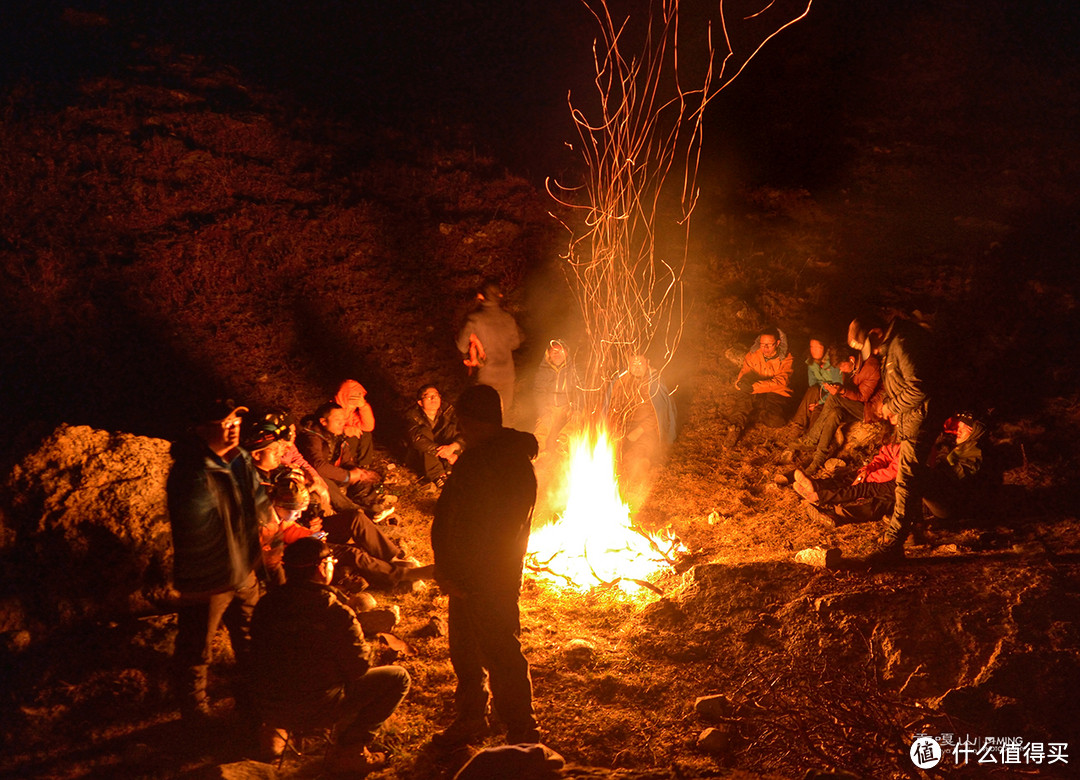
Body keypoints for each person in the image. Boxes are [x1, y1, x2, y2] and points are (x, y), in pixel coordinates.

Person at [430, 384, 541, 747]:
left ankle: (521, 727)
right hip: (466, 575)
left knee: (498, 648)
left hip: (486, 577)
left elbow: (493, 529)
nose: (459, 428)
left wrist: (467, 574)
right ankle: (472, 716)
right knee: (464, 649)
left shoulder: (503, 464)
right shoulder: (483, 457)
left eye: (463, 421)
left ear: (476, 421)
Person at [250, 536, 411, 771]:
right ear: (320, 567)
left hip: (268, 702)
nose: (332, 565)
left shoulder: (266, 604)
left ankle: (274, 730)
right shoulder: (335, 612)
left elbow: (255, 653)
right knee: (399, 678)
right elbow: (359, 667)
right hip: (316, 707)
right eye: (331, 560)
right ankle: (352, 748)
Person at [166, 398, 270, 724]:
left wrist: (269, 537)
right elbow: (195, 531)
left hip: (243, 569)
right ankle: (194, 713)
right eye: (224, 423)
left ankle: (255, 698)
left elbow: (258, 502)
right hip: (209, 578)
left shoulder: (239, 460)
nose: (234, 427)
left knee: (252, 637)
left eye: (236, 421)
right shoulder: (191, 473)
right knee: (197, 647)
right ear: (200, 429)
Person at [847, 314, 943, 564]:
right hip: (910, 419)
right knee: (912, 478)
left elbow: (919, 387)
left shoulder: (903, 342)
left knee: (907, 479)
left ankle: (893, 544)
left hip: (918, 419)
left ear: (877, 332)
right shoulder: (894, 344)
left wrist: (891, 405)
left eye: (873, 347)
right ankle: (914, 529)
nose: (875, 353)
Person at [296, 402, 393, 522]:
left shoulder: (338, 436)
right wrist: (348, 475)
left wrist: (357, 472)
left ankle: (375, 509)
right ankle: (355, 512)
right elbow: (318, 466)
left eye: (344, 419)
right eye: (338, 420)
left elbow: (346, 460)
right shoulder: (311, 437)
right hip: (312, 476)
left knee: (361, 476)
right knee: (322, 478)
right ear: (323, 422)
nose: (342, 423)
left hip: (334, 474)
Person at [797, 345, 882, 474]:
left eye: (842, 366)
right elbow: (846, 387)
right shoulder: (851, 367)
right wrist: (837, 387)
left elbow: (863, 397)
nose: (841, 370)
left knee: (833, 399)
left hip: (869, 409)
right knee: (834, 413)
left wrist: (841, 391)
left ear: (852, 359)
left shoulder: (871, 367)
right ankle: (818, 459)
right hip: (853, 405)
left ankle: (812, 438)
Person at [602, 354, 677, 486]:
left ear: (647, 363)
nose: (636, 368)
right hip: (625, 425)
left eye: (640, 364)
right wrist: (616, 427)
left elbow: (660, 412)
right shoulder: (621, 380)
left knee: (638, 454)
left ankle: (639, 479)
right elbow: (613, 405)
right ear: (628, 365)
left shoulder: (654, 382)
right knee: (611, 452)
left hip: (646, 429)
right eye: (633, 364)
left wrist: (640, 429)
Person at [456, 277, 524, 418]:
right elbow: (515, 343)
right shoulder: (507, 318)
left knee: (485, 417)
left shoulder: (474, 319)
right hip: (507, 375)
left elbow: (462, 346)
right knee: (503, 418)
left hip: (486, 376)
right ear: (499, 296)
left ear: (481, 296)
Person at [728, 327, 793, 445]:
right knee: (744, 387)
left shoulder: (786, 359)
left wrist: (755, 387)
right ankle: (735, 426)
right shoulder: (753, 354)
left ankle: (757, 413)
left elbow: (781, 382)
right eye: (762, 344)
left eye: (769, 344)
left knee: (777, 421)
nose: (765, 348)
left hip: (775, 392)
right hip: (756, 390)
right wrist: (740, 384)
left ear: (777, 343)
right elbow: (744, 373)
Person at [404, 383, 464, 489]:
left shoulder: (448, 411)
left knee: (452, 429)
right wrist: (444, 453)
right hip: (421, 455)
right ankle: (438, 475)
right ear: (420, 402)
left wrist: (453, 448)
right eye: (428, 396)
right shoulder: (412, 415)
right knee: (424, 432)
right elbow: (416, 439)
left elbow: (464, 432)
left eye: (436, 395)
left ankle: (450, 469)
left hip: (447, 452)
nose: (433, 399)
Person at [533, 339, 583, 454]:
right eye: (553, 351)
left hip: (567, 407)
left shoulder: (574, 370)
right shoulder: (543, 371)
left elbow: (581, 391)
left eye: (560, 351)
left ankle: (563, 446)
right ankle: (536, 454)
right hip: (549, 408)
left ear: (566, 353)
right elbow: (539, 392)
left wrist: (577, 409)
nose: (557, 354)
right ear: (548, 354)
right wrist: (543, 411)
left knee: (578, 418)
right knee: (542, 429)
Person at [790, 338, 844, 432]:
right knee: (813, 390)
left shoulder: (833, 362)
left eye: (817, 347)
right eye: (812, 347)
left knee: (817, 409)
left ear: (825, 348)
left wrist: (818, 403)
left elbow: (837, 389)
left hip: (832, 396)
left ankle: (811, 433)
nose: (814, 350)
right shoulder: (811, 362)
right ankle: (797, 426)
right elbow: (812, 384)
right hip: (819, 392)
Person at [334, 379, 377, 468]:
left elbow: (368, 427)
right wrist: (345, 431)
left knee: (365, 434)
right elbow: (327, 429)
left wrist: (363, 407)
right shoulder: (332, 410)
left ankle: (364, 465)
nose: (356, 401)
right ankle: (346, 466)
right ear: (344, 396)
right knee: (351, 438)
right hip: (333, 447)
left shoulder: (351, 412)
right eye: (353, 398)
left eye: (359, 397)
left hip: (342, 441)